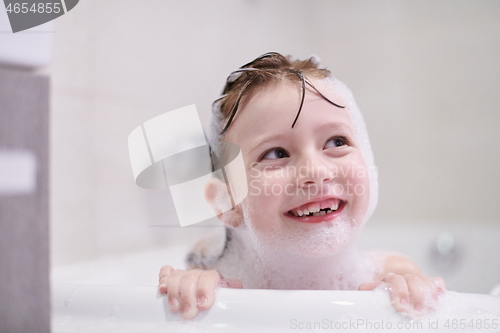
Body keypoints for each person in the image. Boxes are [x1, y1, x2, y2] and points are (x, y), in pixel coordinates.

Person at [158, 52, 446, 320]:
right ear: (227, 202)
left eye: (336, 142)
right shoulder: (217, 283)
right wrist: (190, 290)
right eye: (276, 153)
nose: (316, 172)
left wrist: (411, 292)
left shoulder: (391, 275)